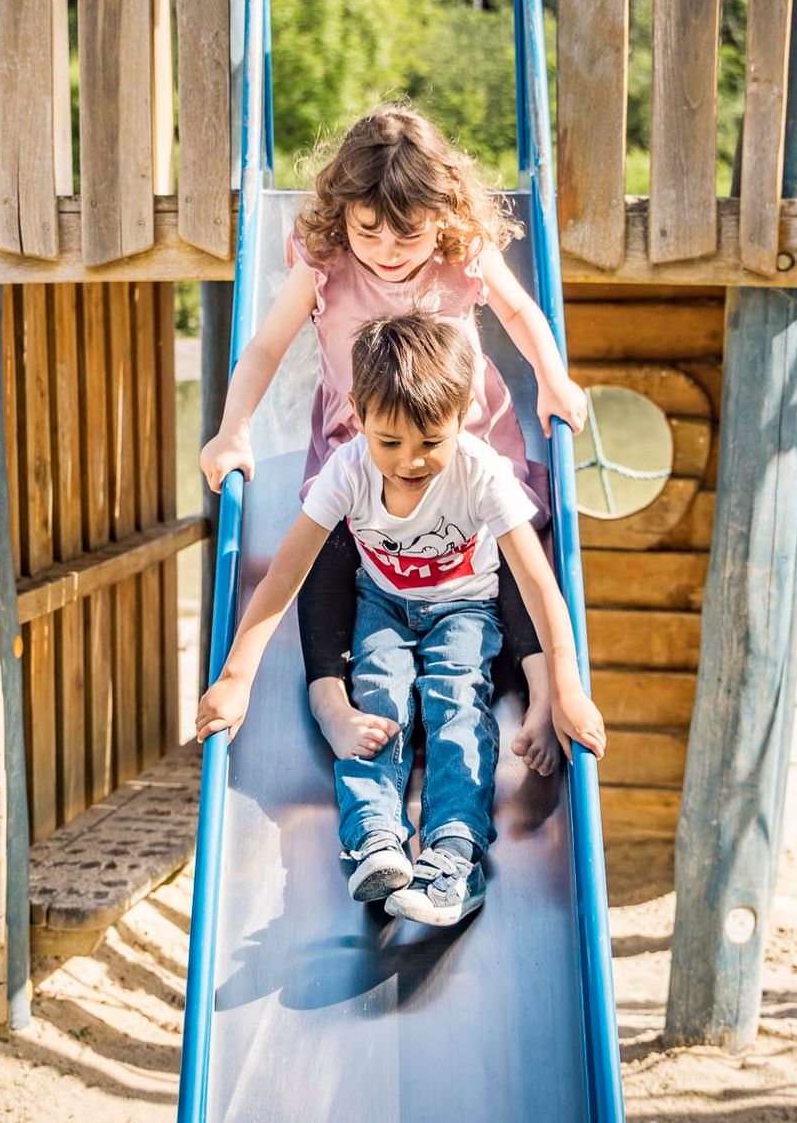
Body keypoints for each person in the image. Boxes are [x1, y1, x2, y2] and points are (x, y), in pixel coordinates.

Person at [199, 103, 589, 779]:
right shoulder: (324, 263)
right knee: (323, 540)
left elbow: (521, 312)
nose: (385, 249)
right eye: (368, 231)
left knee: (517, 538)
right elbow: (264, 347)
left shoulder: (460, 255)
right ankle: (328, 694)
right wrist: (233, 428)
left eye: (407, 234)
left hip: (459, 436)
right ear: (343, 216)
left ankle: (543, 686)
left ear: (443, 214)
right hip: (365, 444)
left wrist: (552, 380)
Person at [195, 313, 607, 926]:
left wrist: (567, 691)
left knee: (456, 703)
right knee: (377, 699)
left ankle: (454, 856)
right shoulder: (349, 469)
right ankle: (376, 837)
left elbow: (538, 582)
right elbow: (285, 575)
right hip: (380, 604)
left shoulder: (480, 471)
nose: (409, 461)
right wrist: (235, 677)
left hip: (465, 607)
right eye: (389, 442)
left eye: (429, 444)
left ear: (465, 412)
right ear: (357, 412)